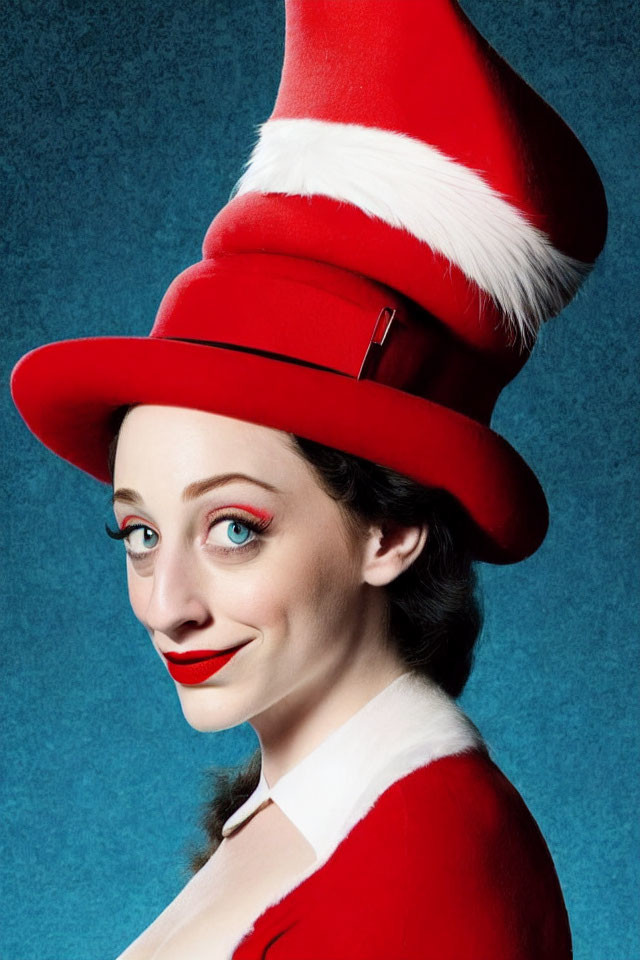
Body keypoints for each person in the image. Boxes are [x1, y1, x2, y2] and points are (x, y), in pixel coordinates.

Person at [9, 1, 607, 958]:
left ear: (389, 532)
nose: (168, 607)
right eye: (141, 533)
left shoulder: (428, 862)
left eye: (235, 527)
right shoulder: (312, 815)